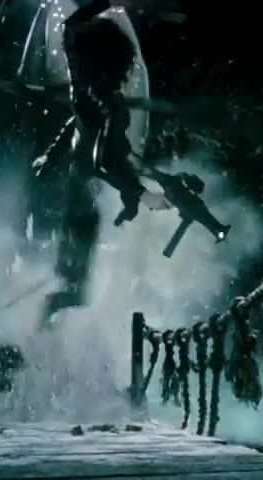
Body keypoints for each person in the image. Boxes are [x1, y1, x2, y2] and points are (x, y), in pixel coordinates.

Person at [31, 0, 170, 317]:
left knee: (71, 283)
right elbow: (103, 163)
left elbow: (79, 126)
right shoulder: (109, 104)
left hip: (77, 192)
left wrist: (51, 157)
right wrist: (144, 195)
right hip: (86, 200)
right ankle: (38, 332)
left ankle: (40, 330)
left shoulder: (82, 90)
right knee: (75, 291)